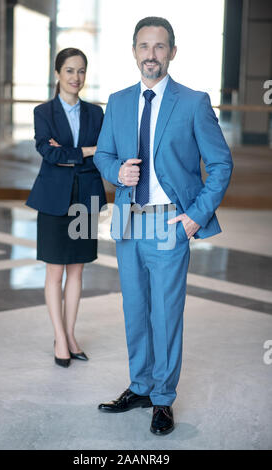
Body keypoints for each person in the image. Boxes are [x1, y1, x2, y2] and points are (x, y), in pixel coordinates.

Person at [93, 17, 233, 435]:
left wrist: (194, 216)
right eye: (143, 46)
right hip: (129, 224)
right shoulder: (117, 102)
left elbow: (221, 164)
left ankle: (163, 399)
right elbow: (102, 155)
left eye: (159, 47)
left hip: (170, 224)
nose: (150, 54)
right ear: (133, 51)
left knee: (165, 315)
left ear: (172, 52)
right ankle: (139, 386)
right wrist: (118, 171)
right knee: (135, 312)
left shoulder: (192, 102)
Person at [26, 48, 107, 368]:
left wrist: (75, 152)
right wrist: (86, 150)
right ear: (57, 73)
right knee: (54, 271)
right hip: (53, 200)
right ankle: (59, 337)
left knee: (77, 270)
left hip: (86, 198)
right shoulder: (43, 112)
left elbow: (104, 153)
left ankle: (71, 334)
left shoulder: (96, 113)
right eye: (70, 70)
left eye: (82, 71)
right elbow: (49, 153)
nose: (76, 77)